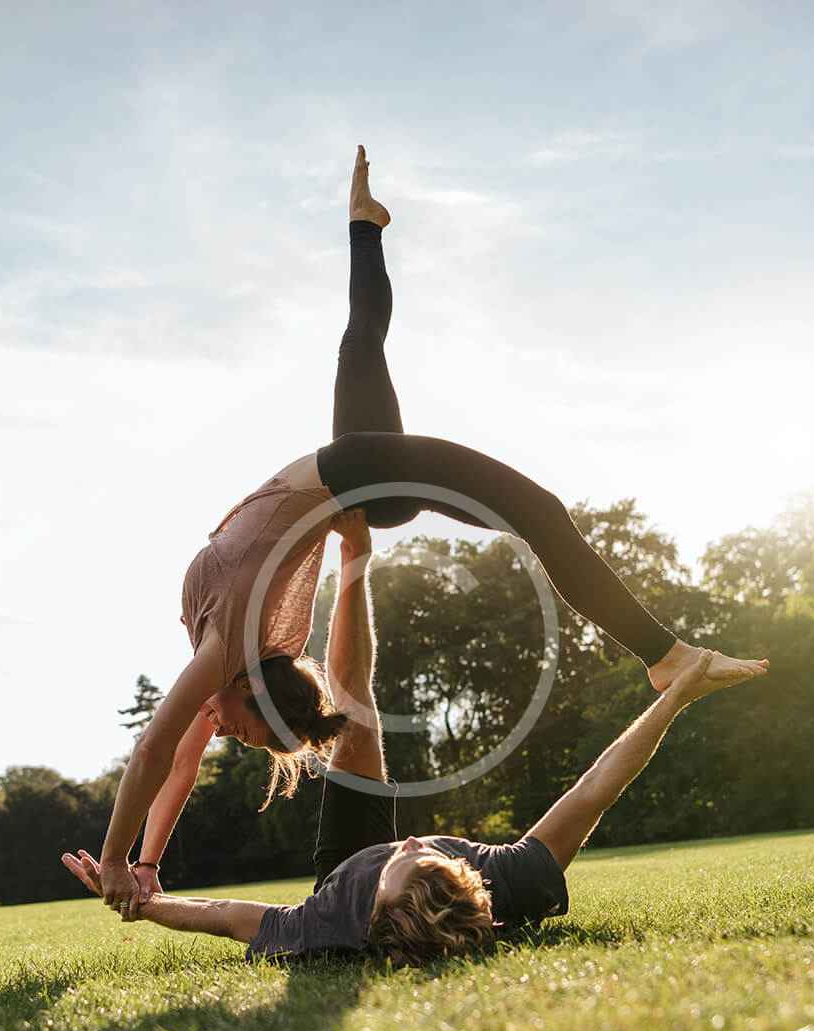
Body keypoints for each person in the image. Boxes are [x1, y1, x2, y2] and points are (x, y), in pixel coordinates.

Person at [96, 145, 768, 918]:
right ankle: (364, 225)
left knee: (537, 509)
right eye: (239, 738)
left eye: (243, 736)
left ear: (253, 698)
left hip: (350, 473)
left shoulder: (231, 643)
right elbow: (175, 761)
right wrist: (145, 864)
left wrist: (118, 859)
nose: (226, 737)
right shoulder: (227, 661)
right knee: (360, 347)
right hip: (357, 486)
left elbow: (156, 751)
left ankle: (663, 656)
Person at [62, 649, 762, 963]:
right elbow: (597, 787)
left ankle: (355, 547)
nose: (407, 842)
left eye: (400, 862)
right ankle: (355, 549)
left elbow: (224, 918)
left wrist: (136, 899)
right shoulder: (514, 878)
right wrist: (677, 696)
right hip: (419, 890)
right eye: (421, 853)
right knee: (358, 709)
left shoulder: (327, 923)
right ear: (468, 878)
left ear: (376, 906)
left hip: (341, 864)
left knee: (353, 708)